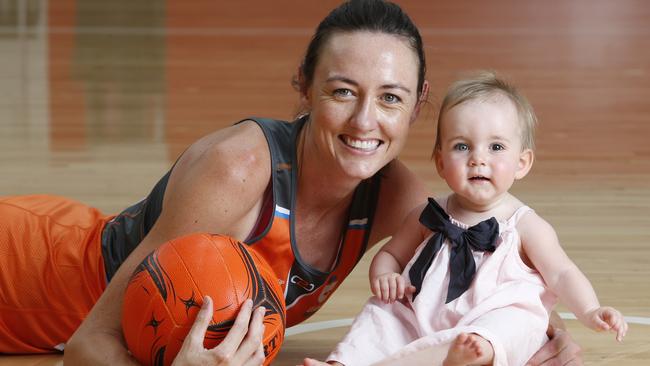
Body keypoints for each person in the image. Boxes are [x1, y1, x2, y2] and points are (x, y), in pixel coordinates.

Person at [0, 1, 581, 365]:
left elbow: (483, 268)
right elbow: (88, 346)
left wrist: (535, 334)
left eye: (390, 99)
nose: (364, 122)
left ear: (417, 106)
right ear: (303, 85)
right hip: (28, 272)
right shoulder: (239, 170)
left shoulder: (399, 199)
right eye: (342, 91)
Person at [303, 71, 627, 366]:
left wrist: (589, 309)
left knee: (510, 326)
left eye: (496, 146)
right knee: (382, 315)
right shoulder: (427, 216)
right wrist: (386, 275)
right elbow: (391, 254)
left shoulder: (524, 224)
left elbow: (561, 273)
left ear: (522, 163)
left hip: (490, 319)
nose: (478, 159)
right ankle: (343, 363)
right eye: (462, 146)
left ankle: (466, 357)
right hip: (423, 315)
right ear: (441, 162)